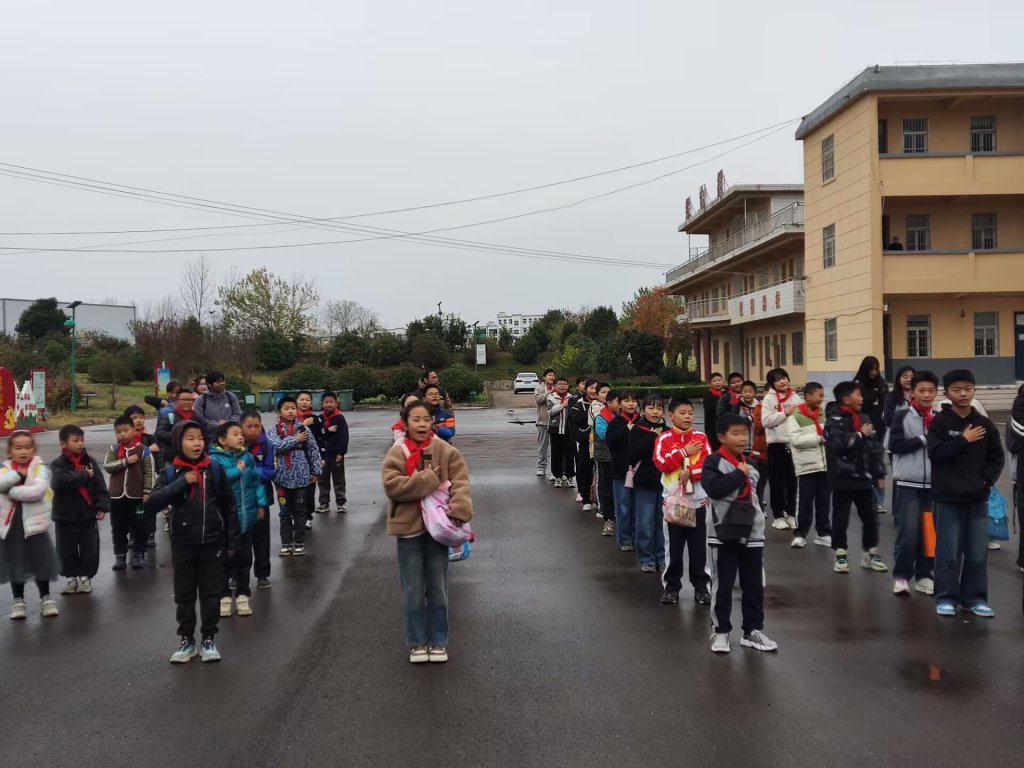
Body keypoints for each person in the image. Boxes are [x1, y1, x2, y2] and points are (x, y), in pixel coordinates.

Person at [382, 399, 474, 664]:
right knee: (412, 588)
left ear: (432, 422)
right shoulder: (397, 453)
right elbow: (392, 486)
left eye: (426, 419)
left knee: (438, 587)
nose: (422, 424)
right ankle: (417, 642)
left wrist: (460, 509)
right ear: (406, 423)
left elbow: (460, 482)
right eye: (416, 419)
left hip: (438, 530)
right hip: (408, 529)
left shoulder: (446, 451)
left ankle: (439, 640)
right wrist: (429, 480)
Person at [145, 420, 240, 663]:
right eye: (190, 439)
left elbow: (229, 506)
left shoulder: (214, 468)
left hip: (212, 543)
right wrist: (182, 482)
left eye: (199, 438)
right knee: (184, 595)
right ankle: (186, 640)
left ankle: (209, 638)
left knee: (211, 594)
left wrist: (232, 542)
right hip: (183, 544)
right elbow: (153, 503)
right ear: (179, 442)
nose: (196, 443)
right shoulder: (170, 472)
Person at [927, 369, 1004, 618]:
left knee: (977, 552)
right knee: (948, 551)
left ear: (974, 390)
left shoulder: (985, 424)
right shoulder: (940, 422)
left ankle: (975, 599)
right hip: (947, 497)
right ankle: (946, 597)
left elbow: (996, 457)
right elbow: (935, 454)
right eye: (957, 389)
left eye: (968, 388)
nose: (963, 394)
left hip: (977, 497)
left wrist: (985, 481)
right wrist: (963, 440)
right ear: (947, 393)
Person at [702, 413, 776, 654]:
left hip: (752, 533)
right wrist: (739, 473)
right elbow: (714, 489)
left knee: (753, 586)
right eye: (735, 433)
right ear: (721, 437)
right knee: (722, 585)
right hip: (722, 533)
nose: (742, 438)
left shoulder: (752, 463)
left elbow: (756, 495)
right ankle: (720, 631)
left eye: (745, 433)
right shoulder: (713, 462)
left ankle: (752, 630)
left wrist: (745, 471)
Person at [653, 397, 711, 606]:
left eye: (690, 413)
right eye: (683, 413)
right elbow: (661, 463)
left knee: (699, 549)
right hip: (673, 506)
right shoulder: (664, 439)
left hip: (698, 504)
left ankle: (701, 586)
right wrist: (684, 452)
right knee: (674, 549)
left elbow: (708, 464)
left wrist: (692, 472)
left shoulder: (701, 438)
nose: (688, 417)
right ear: (671, 416)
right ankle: (671, 587)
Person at [825, 382, 888, 575]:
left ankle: (870, 552)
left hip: (863, 477)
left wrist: (879, 473)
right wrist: (860, 435)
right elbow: (838, 444)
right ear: (846, 399)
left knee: (870, 518)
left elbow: (874, 448)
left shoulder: (864, 418)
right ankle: (840, 553)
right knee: (840, 518)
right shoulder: (833, 420)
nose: (861, 398)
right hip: (842, 477)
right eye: (858, 395)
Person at [888, 370, 939, 597]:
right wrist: (922, 439)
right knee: (907, 532)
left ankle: (925, 575)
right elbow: (895, 445)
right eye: (922, 390)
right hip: (908, 483)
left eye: (931, 391)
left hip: (933, 486)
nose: (927, 395)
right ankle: (901, 576)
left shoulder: (939, 417)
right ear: (913, 392)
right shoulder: (902, 417)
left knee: (929, 533)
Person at [209, 422, 267, 619]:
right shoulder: (214, 460)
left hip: (246, 518)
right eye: (235, 434)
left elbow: (256, 482)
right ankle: (224, 597)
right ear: (222, 440)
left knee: (244, 559)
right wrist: (237, 471)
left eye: (241, 434)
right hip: (225, 521)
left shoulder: (247, 457)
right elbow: (217, 482)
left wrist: (260, 504)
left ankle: (243, 595)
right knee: (223, 561)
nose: (240, 437)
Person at [0, 431, 60, 619]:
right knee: (15, 561)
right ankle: (18, 600)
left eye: (27, 447)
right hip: (11, 526)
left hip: (35, 525)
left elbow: (38, 491)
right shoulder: (5, 470)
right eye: (18, 448)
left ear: (33, 449)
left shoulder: (39, 468)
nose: (23, 451)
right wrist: (17, 474)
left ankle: (46, 598)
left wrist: (13, 492)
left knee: (41, 561)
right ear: (9, 451)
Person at [50, 425, 110, 596]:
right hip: (64, 515)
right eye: (75, 441)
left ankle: (85, 577)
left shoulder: (90, 462)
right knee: (65, 549)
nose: (80, 444)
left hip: (87, 513)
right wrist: (84, 475)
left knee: (89, 547)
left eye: (82, 440)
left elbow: (100, 485)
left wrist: (102, 506)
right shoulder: (57, 464)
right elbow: (59, 483)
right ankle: (71, 578)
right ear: (63, 443)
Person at [269, 395, 322, 557]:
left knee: (300, 512)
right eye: (286, 408)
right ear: (279, 412)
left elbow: (313, 450)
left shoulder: (304, 430)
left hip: (301, 477)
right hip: (282, 478)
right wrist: (295, 440)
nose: (290, 411)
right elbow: (276, 446)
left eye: (293, 408)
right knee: (284, 513)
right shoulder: (273, 430)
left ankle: (299, 543)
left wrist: (315, 471)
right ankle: (286, 543)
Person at [103, 415, 156, 571]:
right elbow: (107, 466)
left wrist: (147, 492)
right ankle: (120, 556)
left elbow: (149, 472)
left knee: (139, 526)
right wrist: (125, 461)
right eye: (118, 431)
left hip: (137, 497)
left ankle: (139, 554)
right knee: (118, 528)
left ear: (134, 430)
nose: (122, 434)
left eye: (126, 430)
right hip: (117, 497)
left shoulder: (143, 450)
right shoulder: (113, 449)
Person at [787, 382, 832, 549]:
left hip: (825, 465)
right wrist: (819, 438)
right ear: (807, 396)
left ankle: (823, 533)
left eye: (822, 395)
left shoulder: (824, 413)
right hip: (807, 466)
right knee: (805, 502)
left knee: (824, 501)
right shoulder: (795, 416)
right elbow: (796, 440)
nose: (822, 399)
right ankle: (800, 534)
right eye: (819, 395)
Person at [629, 394, 667, 574]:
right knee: (645, 522)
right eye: (651, 408)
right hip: (644, 482)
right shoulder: (637, 430)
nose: (655, 412)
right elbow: (635, 453)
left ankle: (661, 557)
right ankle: (647, 558)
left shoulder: (668, 431)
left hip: (665, 483)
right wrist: (652, 435)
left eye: (659, 408)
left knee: (662, 523)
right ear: (643, 411)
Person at [761, 368, 802, 529]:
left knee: (793, 482)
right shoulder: (769, 399)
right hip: (776, 445)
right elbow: (765, 421)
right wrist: (785, 413)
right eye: (777, 380)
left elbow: (802, 417)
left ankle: (791, 514)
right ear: (772, 384)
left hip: (793, 444)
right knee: (777, 482)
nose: (782, 381)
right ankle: (778, 516)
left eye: (784, 377)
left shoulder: (795, 397)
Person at [241, 411, 274, 590]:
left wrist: (249, 472)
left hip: (261, 498)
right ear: (241, 427)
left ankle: (262, 574)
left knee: (261, 539)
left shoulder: (266, 446)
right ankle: (236, 575)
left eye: (257, 426)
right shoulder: (233, 445)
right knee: (239, 538)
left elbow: (270, 471)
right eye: (249, 426)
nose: (253, 430)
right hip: (239, 499)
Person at [854, 356, 889, 513]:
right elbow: (858, 406)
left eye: (876, 368)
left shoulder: (881, 383)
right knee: (866, 462)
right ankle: (870, 499)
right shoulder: (858, 385)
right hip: (863, 426)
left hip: (879, 426)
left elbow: (885, 403)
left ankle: (879, 501)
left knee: (878, 462)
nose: (874, 372)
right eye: (871, 369)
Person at [606, 390, 639, 551]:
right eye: (627, 401)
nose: (631, 404)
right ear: (620, 404)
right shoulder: (615, 422)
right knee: (623, 506)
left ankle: (636, 538)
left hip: (640, 472)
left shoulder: (642, 421)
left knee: (637, 508)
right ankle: (624, 539)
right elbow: (610, 442)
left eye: (634, 401)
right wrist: (626, 429)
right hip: (621, 472)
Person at [125, 404, 161, 547]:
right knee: (132, 508)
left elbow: (158, 453)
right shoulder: (125, 437)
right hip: (132, 478)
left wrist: (160, 471)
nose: (139, 420)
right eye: (134, 418)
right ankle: (133, 534)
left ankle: (150, 533)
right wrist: (147, 450)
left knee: (149, 506)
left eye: (141, 417)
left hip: (148, 477)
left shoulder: (149, 436)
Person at [315, 391, 349, 514]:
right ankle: (324, 503)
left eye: (331, 402)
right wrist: (327, 430)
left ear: (336, 403)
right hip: (323, 456)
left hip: (336, 454)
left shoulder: (339, 418)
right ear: (322, 404)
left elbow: (344, 436)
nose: (329, 404)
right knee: (322, 480)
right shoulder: (319, 419)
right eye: (326, 402)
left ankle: (341, 502)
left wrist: (341, 452)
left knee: (338, 479)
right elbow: (316, 434)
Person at [739, 381, 769, 507]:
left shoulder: (761, 407)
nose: (747, 394)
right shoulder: (737, 406)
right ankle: (746, 501)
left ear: (755, 393)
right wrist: (750, 418)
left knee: (760, 478)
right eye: (745, 391)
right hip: (742, 448)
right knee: (743, 477)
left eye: (750, 391)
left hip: (758, 448)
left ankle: (758, 502)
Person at [592, 384, 617, 535]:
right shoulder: (601, 417)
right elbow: (605, 435)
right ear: (609, 403)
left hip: (621, 458)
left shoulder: (628, 418)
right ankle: (608, 517)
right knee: (606, 486)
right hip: (605, 457)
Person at [295, 391, 321, 529]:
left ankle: (307, 516)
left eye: (307, 400)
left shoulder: (315, 419)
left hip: (310, 460)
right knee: (295, 491)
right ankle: (295, 516)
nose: (304, 402)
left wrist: (321, 458)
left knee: (309, 491)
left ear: (311, 403)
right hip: (294, 461)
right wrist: (304, 424)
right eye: (301, 399)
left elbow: (320, 439)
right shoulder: (291, 419)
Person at [192, 370, 242, 441]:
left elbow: (238, 414)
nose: (222, 383)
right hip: (209, 437)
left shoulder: (230, 396)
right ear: (209, 384)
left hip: (230, 436)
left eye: (223, 381)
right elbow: (199, 419)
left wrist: (227, 423)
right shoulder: (201, 399)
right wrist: (217, 424)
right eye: (217, 382)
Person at [571, 379, 597, 511]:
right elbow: (579, 421)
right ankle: (585, 498)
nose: (594, 391)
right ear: (586, 390)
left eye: (596, 388)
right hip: (585, 442)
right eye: (591, 388)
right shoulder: (578, 405)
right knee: (585, 469)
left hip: (602, 443)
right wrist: (592, 408)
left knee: (601, 473)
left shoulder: (605, 405)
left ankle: (599, 501)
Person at [547, 377, 575, 488]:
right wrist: (563, 405)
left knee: (569, 455)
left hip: (569, 430)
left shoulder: (572, 398)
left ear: (568, 386)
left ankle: (569, 477)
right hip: (555, 430)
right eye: (560, 384)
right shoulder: (551, 397)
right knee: (556, 454)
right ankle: (557, 476)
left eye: (565, 384)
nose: (562, 386)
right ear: (555, 386)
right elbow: (550, 412)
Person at [155, 387, 196, 463]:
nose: (187, 402)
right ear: (177, 401)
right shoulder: (170, 416)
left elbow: (206, 433)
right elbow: (160, 434)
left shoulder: (197, 416)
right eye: (184, 399)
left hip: (193, 457)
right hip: (173, 459)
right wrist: (180, 435)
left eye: (190, 400)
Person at [534, 369, 556, 478]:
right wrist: (549, 392)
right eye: (549, 375)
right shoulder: (539, 388)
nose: (552, 377)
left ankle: (555, 470)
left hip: (555, 423)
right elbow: (539, 400)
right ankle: (541, 467)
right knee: (543, 447)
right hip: (543, 422)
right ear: (544, 377)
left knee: (555, 448)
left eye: (553, 375)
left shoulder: (557, 387)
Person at [702, 372, 725, 451]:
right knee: (714, 447)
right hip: (712, 427)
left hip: (724, 425)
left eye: (719, 380)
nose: (717, 382)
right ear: (710, 383)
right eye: (714, 381)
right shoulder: (708, 395)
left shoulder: (725, 394)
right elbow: (708, 409)